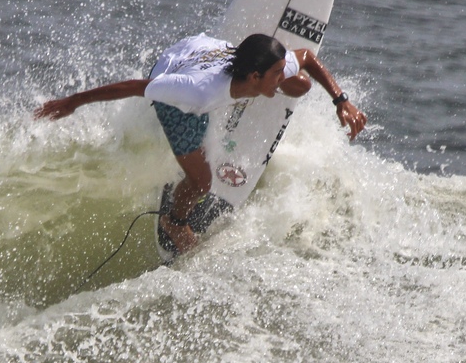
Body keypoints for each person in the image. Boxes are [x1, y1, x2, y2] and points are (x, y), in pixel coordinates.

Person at [34, 32, 366, 253]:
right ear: (253, 76)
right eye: (276, 74)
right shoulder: (193, 93)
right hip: (175, 73)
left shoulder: (251, 73)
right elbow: (133, 87)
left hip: (201, 48)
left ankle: (264, 91)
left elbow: (306, 55)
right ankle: (174, 221)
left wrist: (341, 100)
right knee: (202, 181)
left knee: (302, 84)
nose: (283, 74)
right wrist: (72, 102)